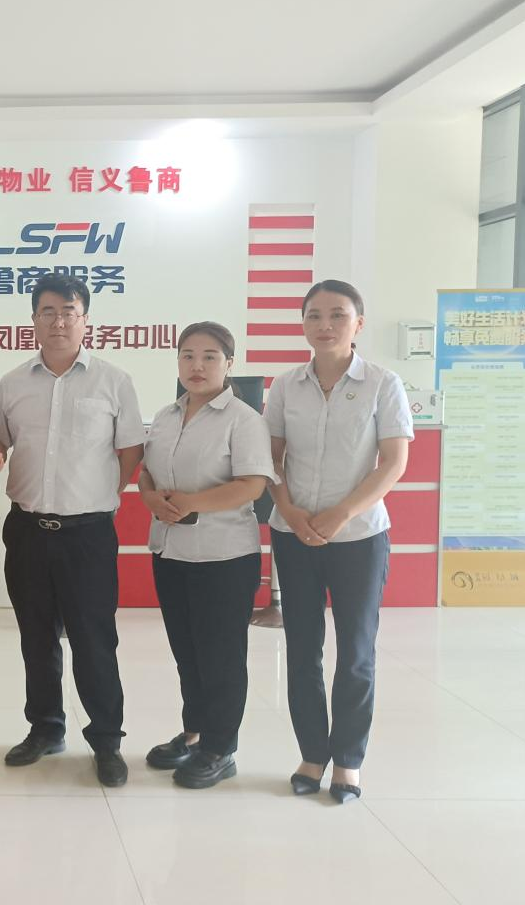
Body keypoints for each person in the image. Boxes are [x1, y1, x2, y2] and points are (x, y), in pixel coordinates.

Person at [0, 275, 144, 788]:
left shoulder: (114, 381)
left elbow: (131, 449)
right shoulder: (13, 383)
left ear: (85, 319)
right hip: (27, 530)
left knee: (95, 641)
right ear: (33, 319)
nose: (58, 321)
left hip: (87, 534)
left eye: (69, 311)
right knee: (36, 637)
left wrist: (103, 494)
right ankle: (46, 728)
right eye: (47, 311)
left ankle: (107, 740)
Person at [266, 279, 412, 804]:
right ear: (303, 323)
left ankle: (348, 759)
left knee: (355, 652)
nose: (324, 325)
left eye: (337, 315)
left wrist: (341, 513)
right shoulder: (285, 386)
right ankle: (312, 753)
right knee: (302, 649)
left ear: (358, 324)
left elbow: (393, 462)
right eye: (314, 315)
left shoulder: (382, 383)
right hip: (294, 534)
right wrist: (290, 511)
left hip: (359, 537)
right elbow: (271, 459)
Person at [139, 322, 274, 788]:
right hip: (170, 550)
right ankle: (194, 732)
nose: (197, 366)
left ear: (229, 364)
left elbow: (252, 485)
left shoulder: (243, 419)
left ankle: (221, 747)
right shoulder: (165, 416)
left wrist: (191, 502)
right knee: (187, 652)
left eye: (209, 357)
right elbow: (148, 472)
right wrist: (150, 497)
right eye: (188, 356)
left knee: (221, 656)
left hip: (223, 556)